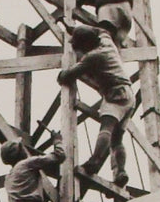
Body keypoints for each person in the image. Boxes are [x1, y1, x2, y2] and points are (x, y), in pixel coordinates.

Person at [57, 24, 135, 186]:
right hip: (128, 95)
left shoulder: (93, 57)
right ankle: (120, 171)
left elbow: (67, 76)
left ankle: (95, 161)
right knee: (117, 138)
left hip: (115, 94)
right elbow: (102, 31)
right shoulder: (106, 43)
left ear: (86, 45)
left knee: (106, 128)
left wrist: (61, 74)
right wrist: (74, 28)